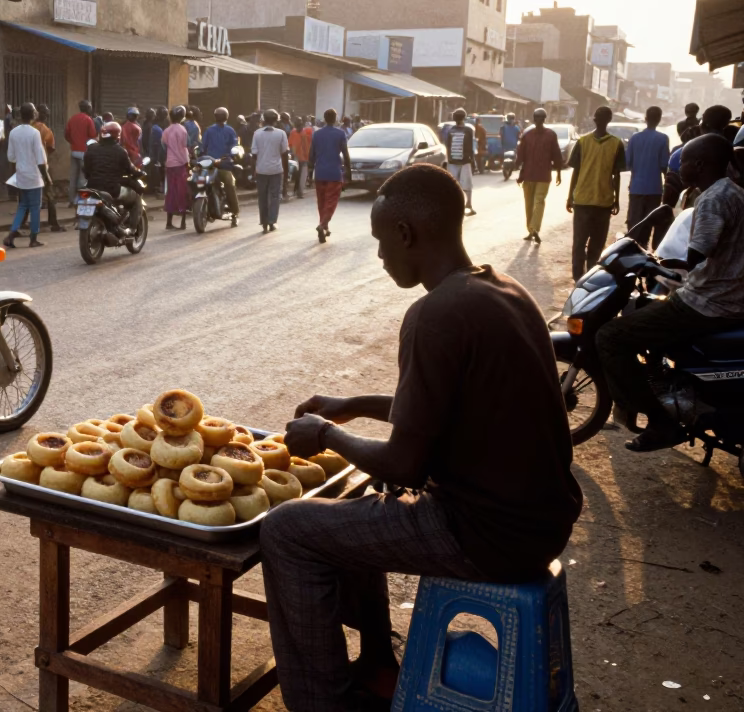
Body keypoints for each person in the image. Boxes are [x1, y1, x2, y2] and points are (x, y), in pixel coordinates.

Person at [262, 163, 582, 712]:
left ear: (406, 234)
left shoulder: (435, 313)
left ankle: (321, 703)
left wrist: (328, 433)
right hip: (541, 521)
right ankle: (378, 667)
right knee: (357, 508)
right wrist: (355, 405)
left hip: (486, 534)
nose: (382, 257)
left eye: (382, 242)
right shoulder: (505, 290)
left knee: (288, 530)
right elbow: (450, 414)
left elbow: (405, 464)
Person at [599, 135, 744, 452]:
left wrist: (653, 265)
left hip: (707, 302)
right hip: (727, 296)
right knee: (646, 314)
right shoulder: (733, 192)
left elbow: (697, 256)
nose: (679, 167)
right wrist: (661, 262)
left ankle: (660, 423)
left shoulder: (713, 199)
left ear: (701, 165)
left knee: (610, 337)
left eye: (685, 162)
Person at [565, 106, 625, 279]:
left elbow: (576, 172)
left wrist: (570, 196)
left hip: (585, 201)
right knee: (596, 244)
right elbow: (617, 175)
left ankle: (578, 278)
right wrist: (616, 199)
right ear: (609, 120)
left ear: (594, 119)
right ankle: (589, 275)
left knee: (580, 243)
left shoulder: (583, 142)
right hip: (602, 202)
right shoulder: (616, 143)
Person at [512, 108, 562, 244]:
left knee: (536, 202)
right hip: (531, 175)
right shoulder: (528, 136)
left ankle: (534, 229)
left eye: (540, 118)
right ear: (535, 119)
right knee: (532, 203)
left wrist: (558, 173)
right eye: (537, 117)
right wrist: (518, 171)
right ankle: (532, 230)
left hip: (541, 176)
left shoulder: (548, 135)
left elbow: (556, 155)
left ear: (543, 119)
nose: (538, 120)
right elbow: (521, 156)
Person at [2, 103, 49, 249]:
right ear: (33, 114)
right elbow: (41, 159)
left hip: (21, 174)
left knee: (22, 206)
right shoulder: (34, 133)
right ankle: (33, 238)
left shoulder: (14, 132)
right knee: (35, 207)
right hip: (34, 175)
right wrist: (47, 177)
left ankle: (12, 234)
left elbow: (11, 157)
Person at [623, 106, 670, 248]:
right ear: (659, 119)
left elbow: (627, 163)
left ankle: (632, 249)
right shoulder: (662, 139)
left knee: (634, 222)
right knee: (648, 223)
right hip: (654, 189)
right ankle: (643, 249)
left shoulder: (635, 138)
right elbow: (664, 166)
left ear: (645, 118)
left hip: (636, 188)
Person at [83, 120, 140, 231]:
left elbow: (86, 169)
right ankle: (132, 229)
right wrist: (138, 172)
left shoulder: (91, 149)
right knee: (136, 198)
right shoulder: (120, 151)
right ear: (117, 135)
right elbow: (130, 169)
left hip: (92, 186)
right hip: (112, 189)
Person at [310, 109, 350, 244]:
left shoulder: (317, 134)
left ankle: (324, 226)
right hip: (334, 172)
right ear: (336, 118)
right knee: (331, 202)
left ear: (325, 118)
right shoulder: (340, 134)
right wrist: (348, 171)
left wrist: (310, 173)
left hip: (320, 172)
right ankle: (322, 225)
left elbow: (312, 155)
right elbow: (345, 154)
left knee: (321, 202)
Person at [251, 109, 290, 233]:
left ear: (263, 120)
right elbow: (285, 154)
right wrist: (286, 171)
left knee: (262, 197)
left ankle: (264, 223)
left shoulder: (257, 133)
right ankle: (272, 221)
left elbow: (254, 154)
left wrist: (254, 170)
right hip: (276, 170)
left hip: (261, 170)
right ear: (276, 120)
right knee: (275, 196)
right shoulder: (281, 133)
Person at [30, 103, 64, 232]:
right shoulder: (46, 130)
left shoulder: (30, 127)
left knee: (28, 197)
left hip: (29, 166)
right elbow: (51, 149)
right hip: (42, 166)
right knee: (50, 195)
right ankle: (54, 224)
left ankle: (20, 224)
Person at [203, 107, 241, 220]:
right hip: (219, 164)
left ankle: (234, 212)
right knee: (229, 184)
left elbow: (202, 147)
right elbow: (234, 146)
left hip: (213, 164)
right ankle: (235, 211)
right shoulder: (228, 130)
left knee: (229, 183)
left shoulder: (210, 130)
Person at [442, 108, 477, 216]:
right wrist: (473, 161)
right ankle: (469, 204)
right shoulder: (468, 130)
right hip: (465, 161)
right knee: (467, 184)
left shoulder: (450, 130)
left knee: (453, 184)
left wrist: (448, 159)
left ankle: (454, 205)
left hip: (452, 161)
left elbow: (447, 145)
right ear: (464, 118)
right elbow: (472, 146)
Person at [162, 105, 190, 230]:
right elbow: (184, 146)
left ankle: (169, 222)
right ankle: (183, 222)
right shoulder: (182, 130)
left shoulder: (166, 131)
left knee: (171, 192)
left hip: (170, 164)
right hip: (181, 164)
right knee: (182, 192)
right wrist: (186, 162)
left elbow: (164, 146)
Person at [64, 99, 96, 201]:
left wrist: (73, 142)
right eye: (90, 107)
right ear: (87, 108)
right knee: (83, 178)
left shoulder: (72, 119)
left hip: (74, 151)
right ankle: (81, 201)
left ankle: (71, 200)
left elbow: (66, 134)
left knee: (73, 177)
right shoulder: (88, 119)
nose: (91, 108)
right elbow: (92, 135)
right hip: (84, 152)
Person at [289, 116, 312, 199]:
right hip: (296, 157)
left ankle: (300, 192)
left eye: (299, 123)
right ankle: (297, 191)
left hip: (304, 157)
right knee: (297, 175)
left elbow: (309, 145)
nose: (298, 125)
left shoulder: (307, 132)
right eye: (297, 123)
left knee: (302, 175)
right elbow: (291, 145)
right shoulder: (293, 132)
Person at [148, 106, 167, 196]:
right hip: (156, 150)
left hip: (158, 150)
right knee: (158, 170)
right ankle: (157, 188)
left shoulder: (164, 123)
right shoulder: (155, 125)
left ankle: (158, 187)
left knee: (159, 170)